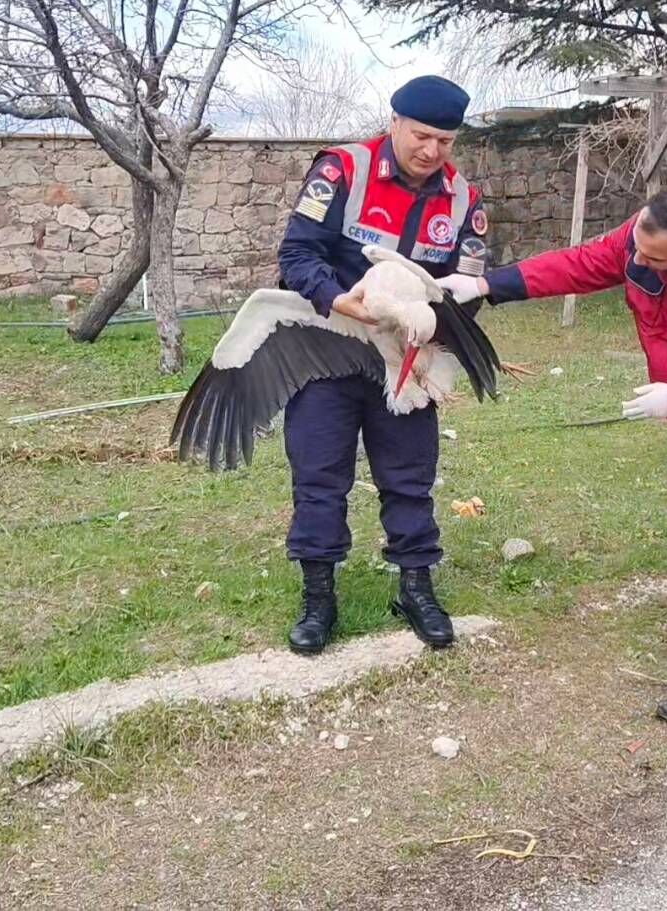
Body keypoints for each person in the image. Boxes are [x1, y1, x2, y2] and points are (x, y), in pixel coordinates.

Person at [436, 189, 667, 725]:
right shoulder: (644, 236)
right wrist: (487, 284)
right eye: (638, 249)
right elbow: (580, 265)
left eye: (653, 259)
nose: (638, 261)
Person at [275, 75, 491, 654]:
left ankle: (415, 586)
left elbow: (466, 287)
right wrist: (335, 297)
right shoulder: (343, 171)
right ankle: (319, 597)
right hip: (328, 346)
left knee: (410, 474)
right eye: (421, 136)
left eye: (446, 141)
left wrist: (438, 350)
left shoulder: (463, 201)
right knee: (319, 474)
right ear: (394, 122)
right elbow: (296, 254)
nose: (432, 152)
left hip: (402, 358)